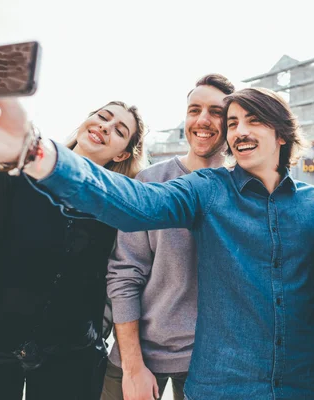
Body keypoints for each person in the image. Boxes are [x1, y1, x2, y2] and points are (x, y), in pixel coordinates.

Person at [0, 67, 314, 399]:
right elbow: (134, 203)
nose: (239, 131)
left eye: (251, 120)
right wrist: (33, 149)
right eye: (233, 122)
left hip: (296, 382)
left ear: (282, 133)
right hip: (211, 378)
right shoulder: (207, 188)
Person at [0, 97, 147, 400]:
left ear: (123, 152)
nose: (105, 127)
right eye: (102, 117)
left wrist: (95, 334)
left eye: (119, 130)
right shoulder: (18, 175)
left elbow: (114, 277)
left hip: (70, 354)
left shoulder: (115, 207)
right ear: (86, 120)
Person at [101, 74, 234, 400]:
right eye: (194, 109)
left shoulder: (242, 189)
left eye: (215, 111)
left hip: (214, 360)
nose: (202, 120)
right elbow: (124, 275)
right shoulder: (151, 182)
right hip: (141, 353)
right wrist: (132, 366)